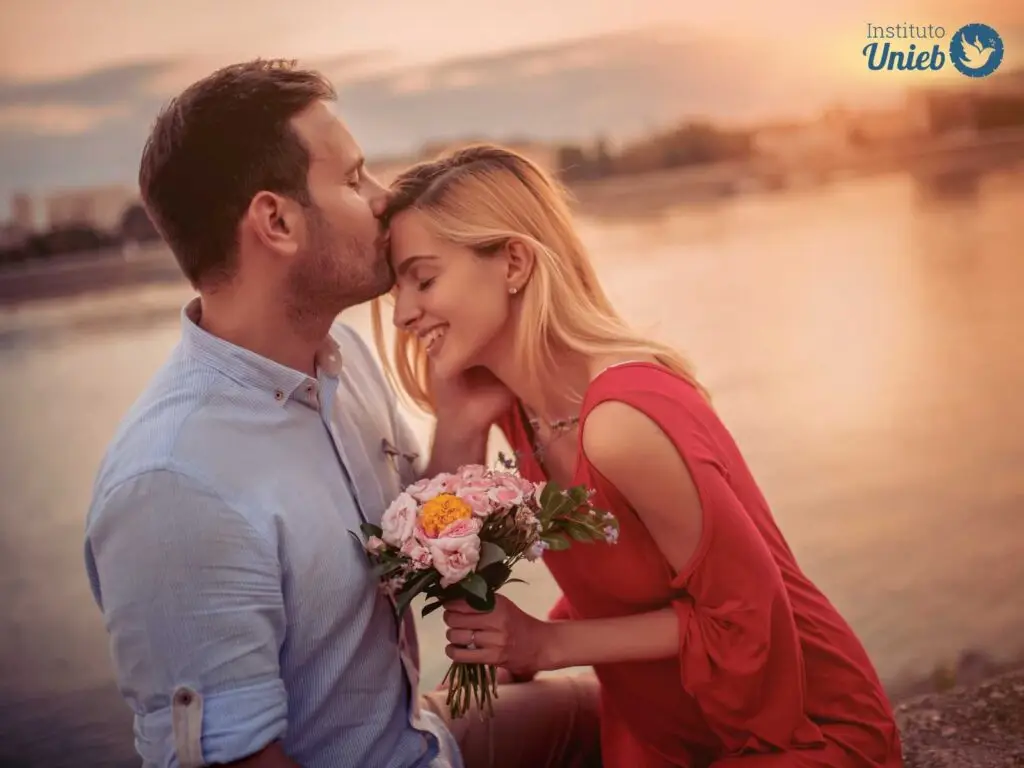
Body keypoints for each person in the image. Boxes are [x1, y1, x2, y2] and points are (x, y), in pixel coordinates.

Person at [84, 60, 599, 768]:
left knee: (629, 711)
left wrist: (461, 420)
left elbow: (413, 557)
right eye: (355, 179)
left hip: (418, 737)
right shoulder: (175, 485)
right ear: (276, 220)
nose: (385, 199)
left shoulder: (342, 358)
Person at [376, 143, 906, 767]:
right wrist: (459, 425)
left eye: (425, 279)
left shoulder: (622, 422)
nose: (406, 313)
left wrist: (547, 645)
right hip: (658, 728)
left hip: (799, 729)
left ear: (513, 261)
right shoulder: (522, 413)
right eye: (398, 291)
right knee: (426, 734)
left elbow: (746, 620)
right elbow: (443, 564)